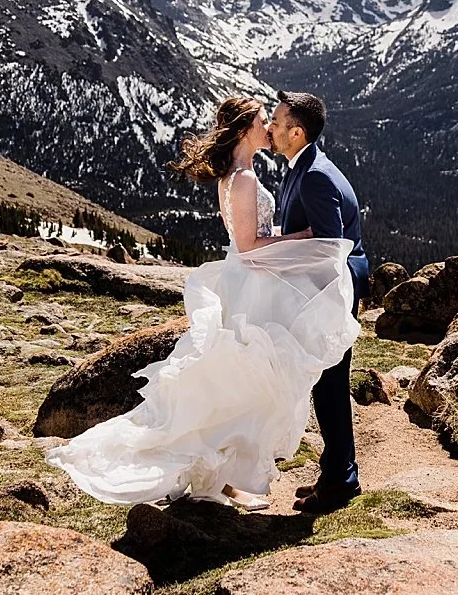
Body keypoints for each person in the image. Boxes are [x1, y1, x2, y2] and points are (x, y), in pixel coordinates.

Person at [45, 96, 360, 511]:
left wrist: (298, 239)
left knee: (252, 380)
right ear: (247, 129)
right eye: (266, 121)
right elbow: (251, 244)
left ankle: (323, 475)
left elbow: (316, 242)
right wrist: (301, 238)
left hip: (260, 283)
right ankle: (294, 474)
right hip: (256, 281)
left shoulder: (253, 174)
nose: (270, 128)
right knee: (247, 382)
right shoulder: (244, 177)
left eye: (275, 121)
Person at [268, 89, 369, 513]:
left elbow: (331, 248)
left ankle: (342, 482)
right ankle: (334, 472)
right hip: (322, 291)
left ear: (296, 131)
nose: (269, 128)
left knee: (329, 386)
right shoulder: (302, 166)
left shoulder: (314, 176)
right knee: (325, 385)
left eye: (276, 123)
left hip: (331, 292)